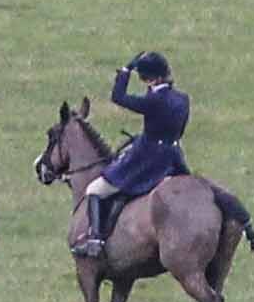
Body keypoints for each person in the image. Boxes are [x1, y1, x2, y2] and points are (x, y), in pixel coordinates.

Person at [72, 51, 186, 259]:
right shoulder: (182, 99)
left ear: (150, 79)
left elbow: (118, 97)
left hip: (147, 160)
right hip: (173, 157)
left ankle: (95, 240)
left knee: (95, 190)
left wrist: (126, 70)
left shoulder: (153, 101)